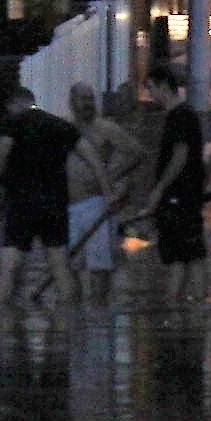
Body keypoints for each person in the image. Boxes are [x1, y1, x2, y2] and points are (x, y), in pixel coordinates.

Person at [0, 86, 80, 311]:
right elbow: (91, 156)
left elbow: (0, 156)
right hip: (55, 204)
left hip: (22, 203)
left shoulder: (13, 124)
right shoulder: (61, 126)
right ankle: (71, 320)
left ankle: (3, 319)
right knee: (60, 266)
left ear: (12, 105)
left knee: (9, 266)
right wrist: (106, 188)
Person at [62, 82, 144, 307]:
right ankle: (76, 316)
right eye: (83, 98)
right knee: (71, 266)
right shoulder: (63, 127)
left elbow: (136, 153)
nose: (88, 103)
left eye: (91, 98)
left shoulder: (105, 128)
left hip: (96, 204)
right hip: (68, 205)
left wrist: (111, 176)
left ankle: (98, 313)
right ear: (72, 102)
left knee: (99, 266)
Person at [136, 64, 210, 306]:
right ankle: (190, 304)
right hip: (186, 195)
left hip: (178, 197)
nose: (150, 94)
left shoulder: (179, 117)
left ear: (164, 87)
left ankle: (176, 302)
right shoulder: (184, 116)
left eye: (151, 88)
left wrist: (159, 190)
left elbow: (180, 155)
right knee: (189, 252)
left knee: (182, 254)